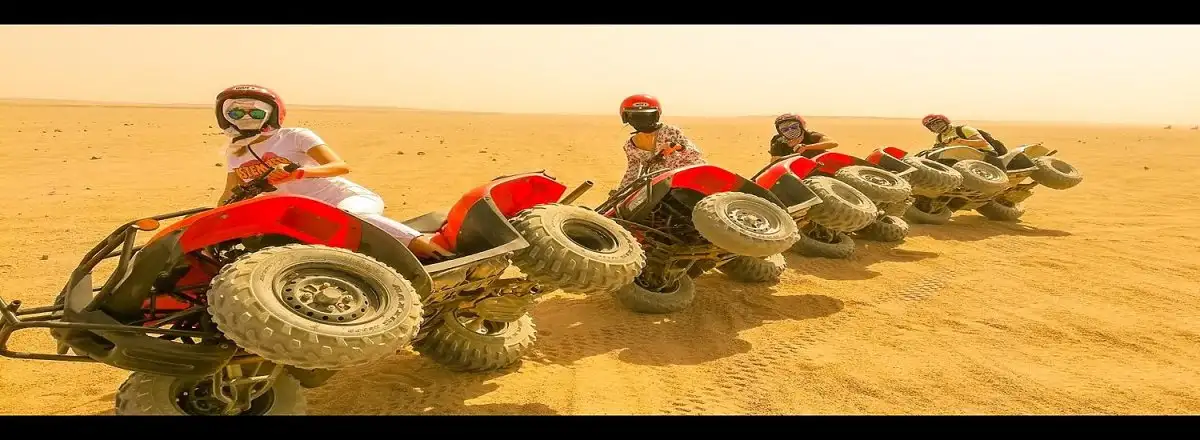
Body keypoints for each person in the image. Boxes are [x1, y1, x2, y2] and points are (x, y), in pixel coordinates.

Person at [213, 84, 452, 259]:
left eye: (255, 113)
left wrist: (298, 174)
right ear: (225, 117)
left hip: (343, 199)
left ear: (271, 114)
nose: (246, 117)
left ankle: (440, 254)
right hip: (307, 216)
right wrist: (214, 222)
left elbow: (340, 167)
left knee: (351, 216)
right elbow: (229, 194)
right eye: (236, 113)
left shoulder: (295, 136)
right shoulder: (235, 153)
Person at [614, 94, 707, 192]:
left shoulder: (669, 131)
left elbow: (695, 155)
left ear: (656, 115)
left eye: (647, 115)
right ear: (625, 117)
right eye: (635, 116)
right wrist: (619, 193)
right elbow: (631, 174)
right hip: (663, 187)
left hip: (693, 178)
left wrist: (678, 147)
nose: (641, 120)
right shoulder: (630, 146)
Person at [768, 113, 839, 163]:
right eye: (785, 129)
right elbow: (775, 162)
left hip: (820, 167)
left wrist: (806, 147)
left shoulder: (811, 136)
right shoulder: (778, 142)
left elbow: (833, 143)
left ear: (800, 126)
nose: (790, 131)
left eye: (794, 127)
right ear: (780, 132)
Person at [921, 114, 1003, 154]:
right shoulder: (939, 138)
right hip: (963, 160)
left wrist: (959, 141)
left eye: (938, 122)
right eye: (932, 125)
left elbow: (983, 143)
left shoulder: (963, 129)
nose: (936, 126)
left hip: (986, 155)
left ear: (945, 121)